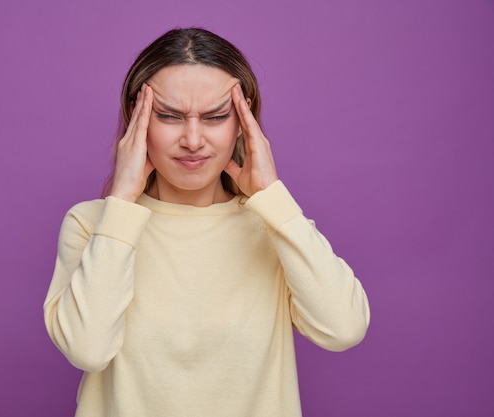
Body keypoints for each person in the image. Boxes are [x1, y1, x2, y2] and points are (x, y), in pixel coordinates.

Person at [44, 27, 370, 417]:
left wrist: (272, 196)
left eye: (216, 117)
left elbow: (344, 328)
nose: (193, 139)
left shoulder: (275, 225)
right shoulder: (92, 224)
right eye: (169, 116)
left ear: (242, 121)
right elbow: (88, 349)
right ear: (138, 118)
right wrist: (121, 203)